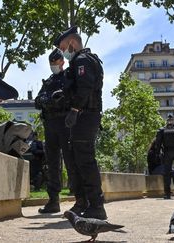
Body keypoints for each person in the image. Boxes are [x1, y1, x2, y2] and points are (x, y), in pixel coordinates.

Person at [53, 26, 106, 219]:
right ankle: (84, 202)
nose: (63, 52)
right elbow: (77, 87)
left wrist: (74, 110)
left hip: (85, 115)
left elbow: (85, 87)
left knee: (85, 160)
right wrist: (64, 96)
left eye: (63, 47)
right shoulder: (82, 60)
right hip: (83, 115)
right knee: (77, 160)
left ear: (72, 43)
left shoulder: (82, 60)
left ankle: (96, 206)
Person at [34, 48, 75, 214]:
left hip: (65, 123)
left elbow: (71, 97)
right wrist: (47, 99)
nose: (53, 66)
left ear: (62, 62)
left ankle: (79, 198)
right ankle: (53, 201)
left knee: (71, 160)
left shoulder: (69, 77)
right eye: (51, 63)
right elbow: (37, 101)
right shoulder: (49, 81)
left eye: (56, 63)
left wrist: (58, 99)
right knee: (52, 163)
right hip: (50, 124)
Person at [155, 114, 174, 199]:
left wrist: (158, 154)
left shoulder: (162, 130)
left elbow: (158, 143)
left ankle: (167, 194)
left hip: (168, 153)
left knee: (167, 174)